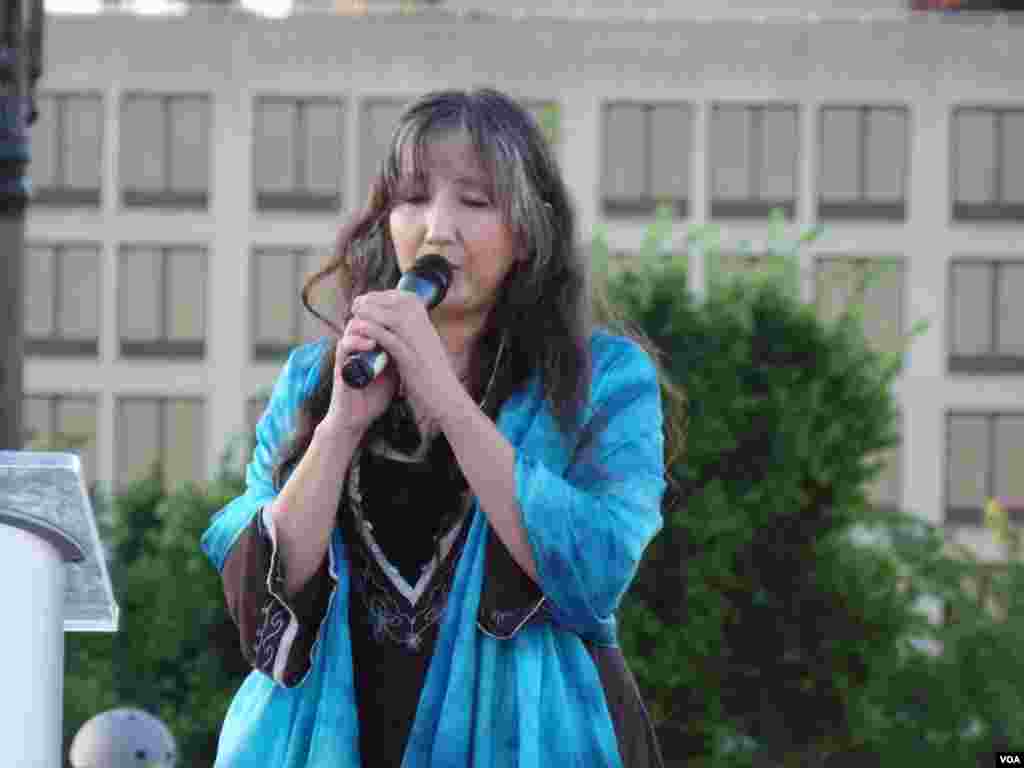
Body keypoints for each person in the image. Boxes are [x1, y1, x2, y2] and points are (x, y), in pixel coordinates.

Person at [200, 87, 686, 768]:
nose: (438, 228)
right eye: (413, 198)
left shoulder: (604, 379)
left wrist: (447, 399)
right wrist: (339, 427)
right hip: (323, 739)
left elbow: (596, 568)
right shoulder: (320, 376)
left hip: (529, 737)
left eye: (476, 202)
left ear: (529, 231)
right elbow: (261, 595)